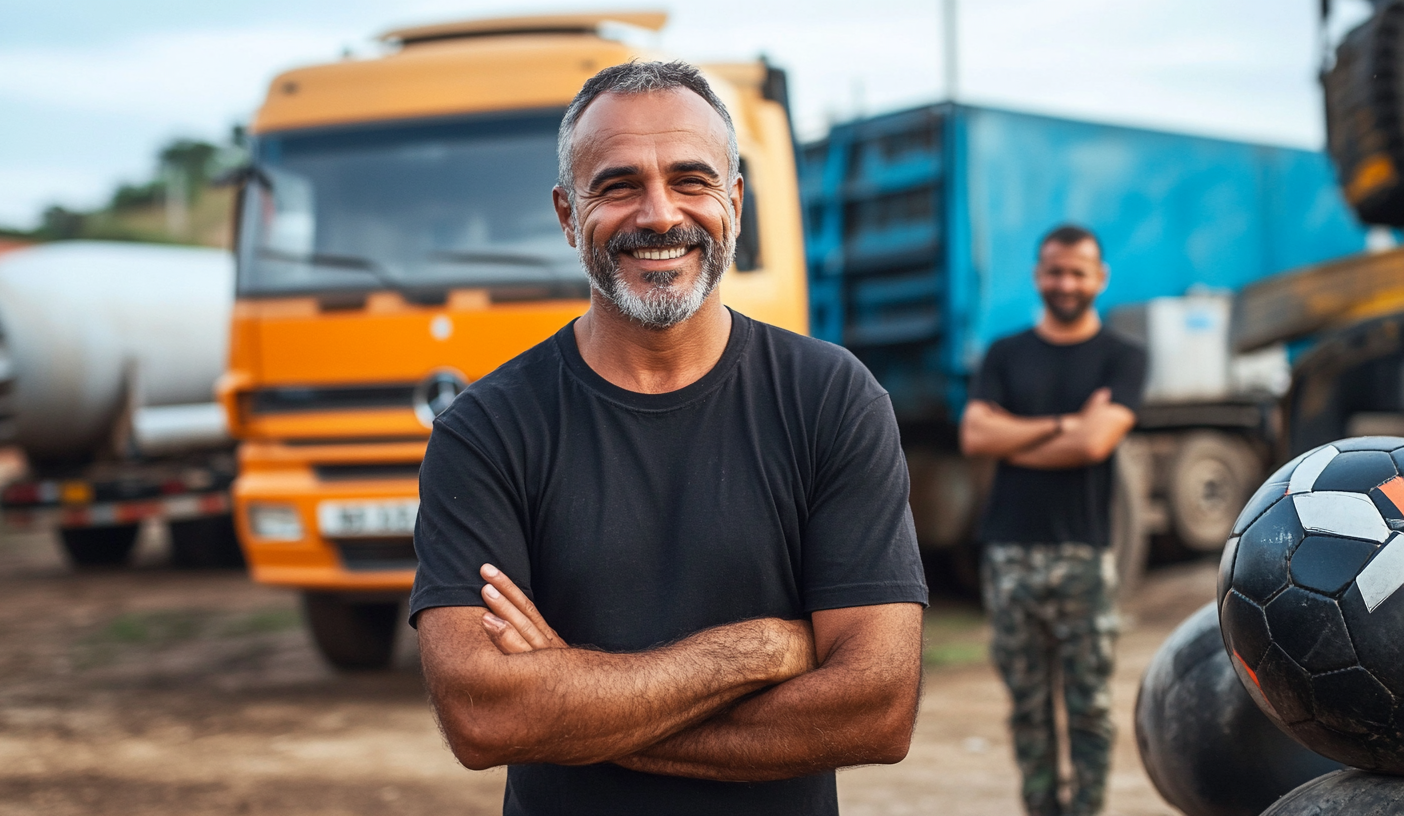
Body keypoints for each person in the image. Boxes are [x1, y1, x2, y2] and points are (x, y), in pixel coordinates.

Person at [410, 61, 928, 816]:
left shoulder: (832, 400)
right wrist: (759, 650)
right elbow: (485, 716)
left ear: (736, 203)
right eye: (619, 186)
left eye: (691, 179)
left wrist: (571, 703)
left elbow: (876, 708)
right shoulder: (487, 431)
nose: (659, 214)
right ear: (565, 214)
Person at [958, 225, 1146, 816]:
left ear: (1100, 278)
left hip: (1084, 555)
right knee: (1027, 707)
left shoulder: (1123, 356)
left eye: (1078, 272)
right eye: (1054, 271)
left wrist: (1013, 436)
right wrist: (1065, 424)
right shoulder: (1006, 353)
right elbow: (973, 434)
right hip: (1009, 553)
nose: (1065, 283)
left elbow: (1097, 445)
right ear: (1038, 275)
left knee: (1089, 706)